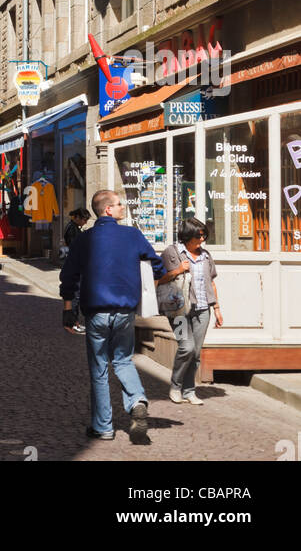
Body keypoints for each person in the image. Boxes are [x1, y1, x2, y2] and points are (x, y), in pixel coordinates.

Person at [59, 188, 177, 441]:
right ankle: (136, 401)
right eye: (120, 204)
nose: (124, 207)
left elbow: (68, 275)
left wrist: (68, 309)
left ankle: (103, 428)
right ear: (108, 209)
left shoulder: (84, 238)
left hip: (96, 313)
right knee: (123, 360)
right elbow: (156, 265)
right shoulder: (132, 235)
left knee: (99, 367)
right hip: (124, 311)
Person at [160, 219, 223, 405]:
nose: (202, 238)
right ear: (187, 235)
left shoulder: (205, 255)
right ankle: (175, 386)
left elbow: (211, 282)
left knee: (195, 352)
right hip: (177, 310)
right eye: (198, 235)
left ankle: (189, 391)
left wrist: (217, 309)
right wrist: (178, 270)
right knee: (185, 347)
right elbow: (158, 280)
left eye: (204, 234)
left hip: (203, 309)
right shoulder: (171, 253)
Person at [62, 208, 91, 334]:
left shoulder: (73, 227)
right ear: (78, 217)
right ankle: (73, 323)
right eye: (84, 220)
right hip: (76, 265)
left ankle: (75, 322)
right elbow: (75, 247)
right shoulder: (72, 228)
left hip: (76, 265)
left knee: (76, 296)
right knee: (75, 296)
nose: (85, 223)